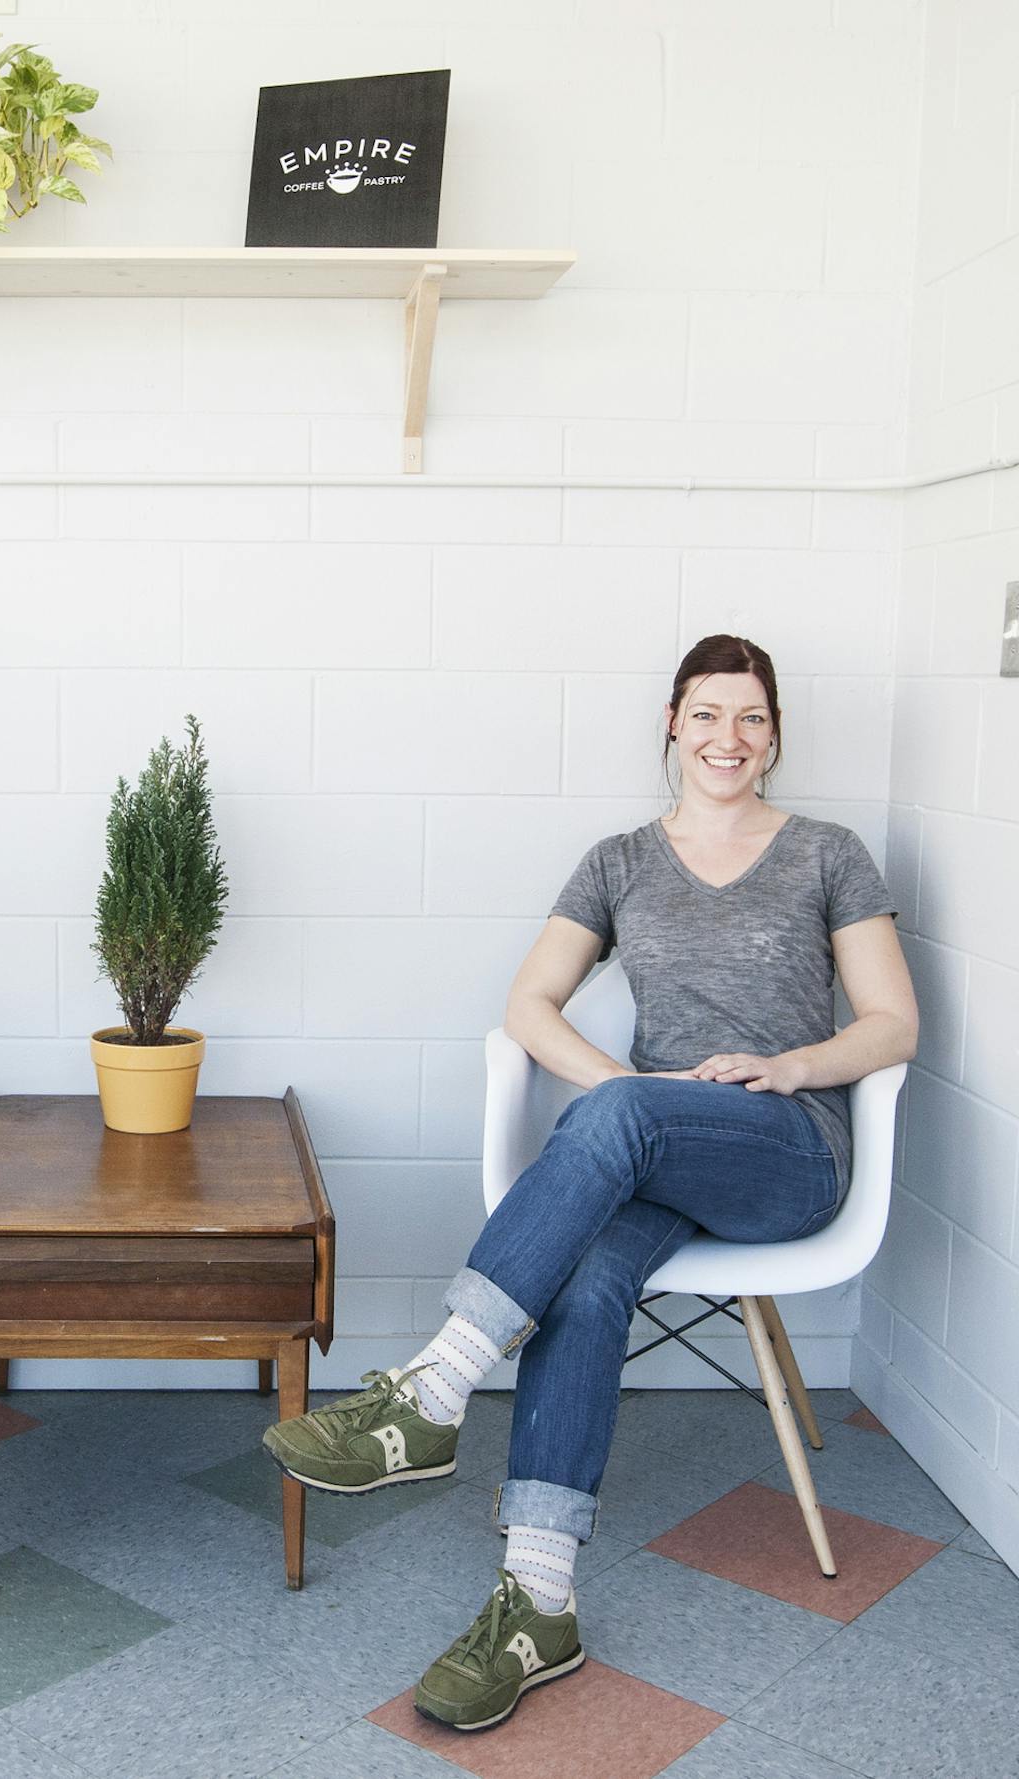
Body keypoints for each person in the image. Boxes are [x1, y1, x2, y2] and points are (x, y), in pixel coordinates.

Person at [263, 633, 917, 1732]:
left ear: (774, 736)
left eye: (751, 717)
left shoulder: (828, 854)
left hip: (786, 1151)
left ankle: (433, 1389)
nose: (729, 737)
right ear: (672, 722)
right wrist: (628, 1096)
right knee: (585, 1281)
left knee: (615, 1128)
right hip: (659, 1147)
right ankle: (538, 1607)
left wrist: (793, 1066)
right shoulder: (618, 860)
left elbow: (896, 1022)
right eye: (707, 714)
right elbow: (528, 1008)